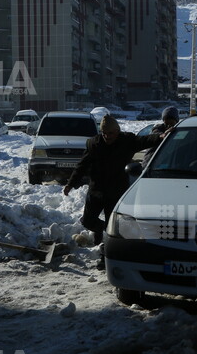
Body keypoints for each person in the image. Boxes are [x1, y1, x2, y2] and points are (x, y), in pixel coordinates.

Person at [64, 115, 164, 269]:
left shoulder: (127, 141)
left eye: (110, 133)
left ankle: (105, 257)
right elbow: (81, 165)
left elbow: (145, 141)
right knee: (88, 221)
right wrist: (71, 184)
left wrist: (161, 136)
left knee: (113, 229)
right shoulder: (94, 144)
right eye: (104, 133)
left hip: (116, 192)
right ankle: (100, 230)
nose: (107, 137)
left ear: (117, 131)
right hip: (96, 190)